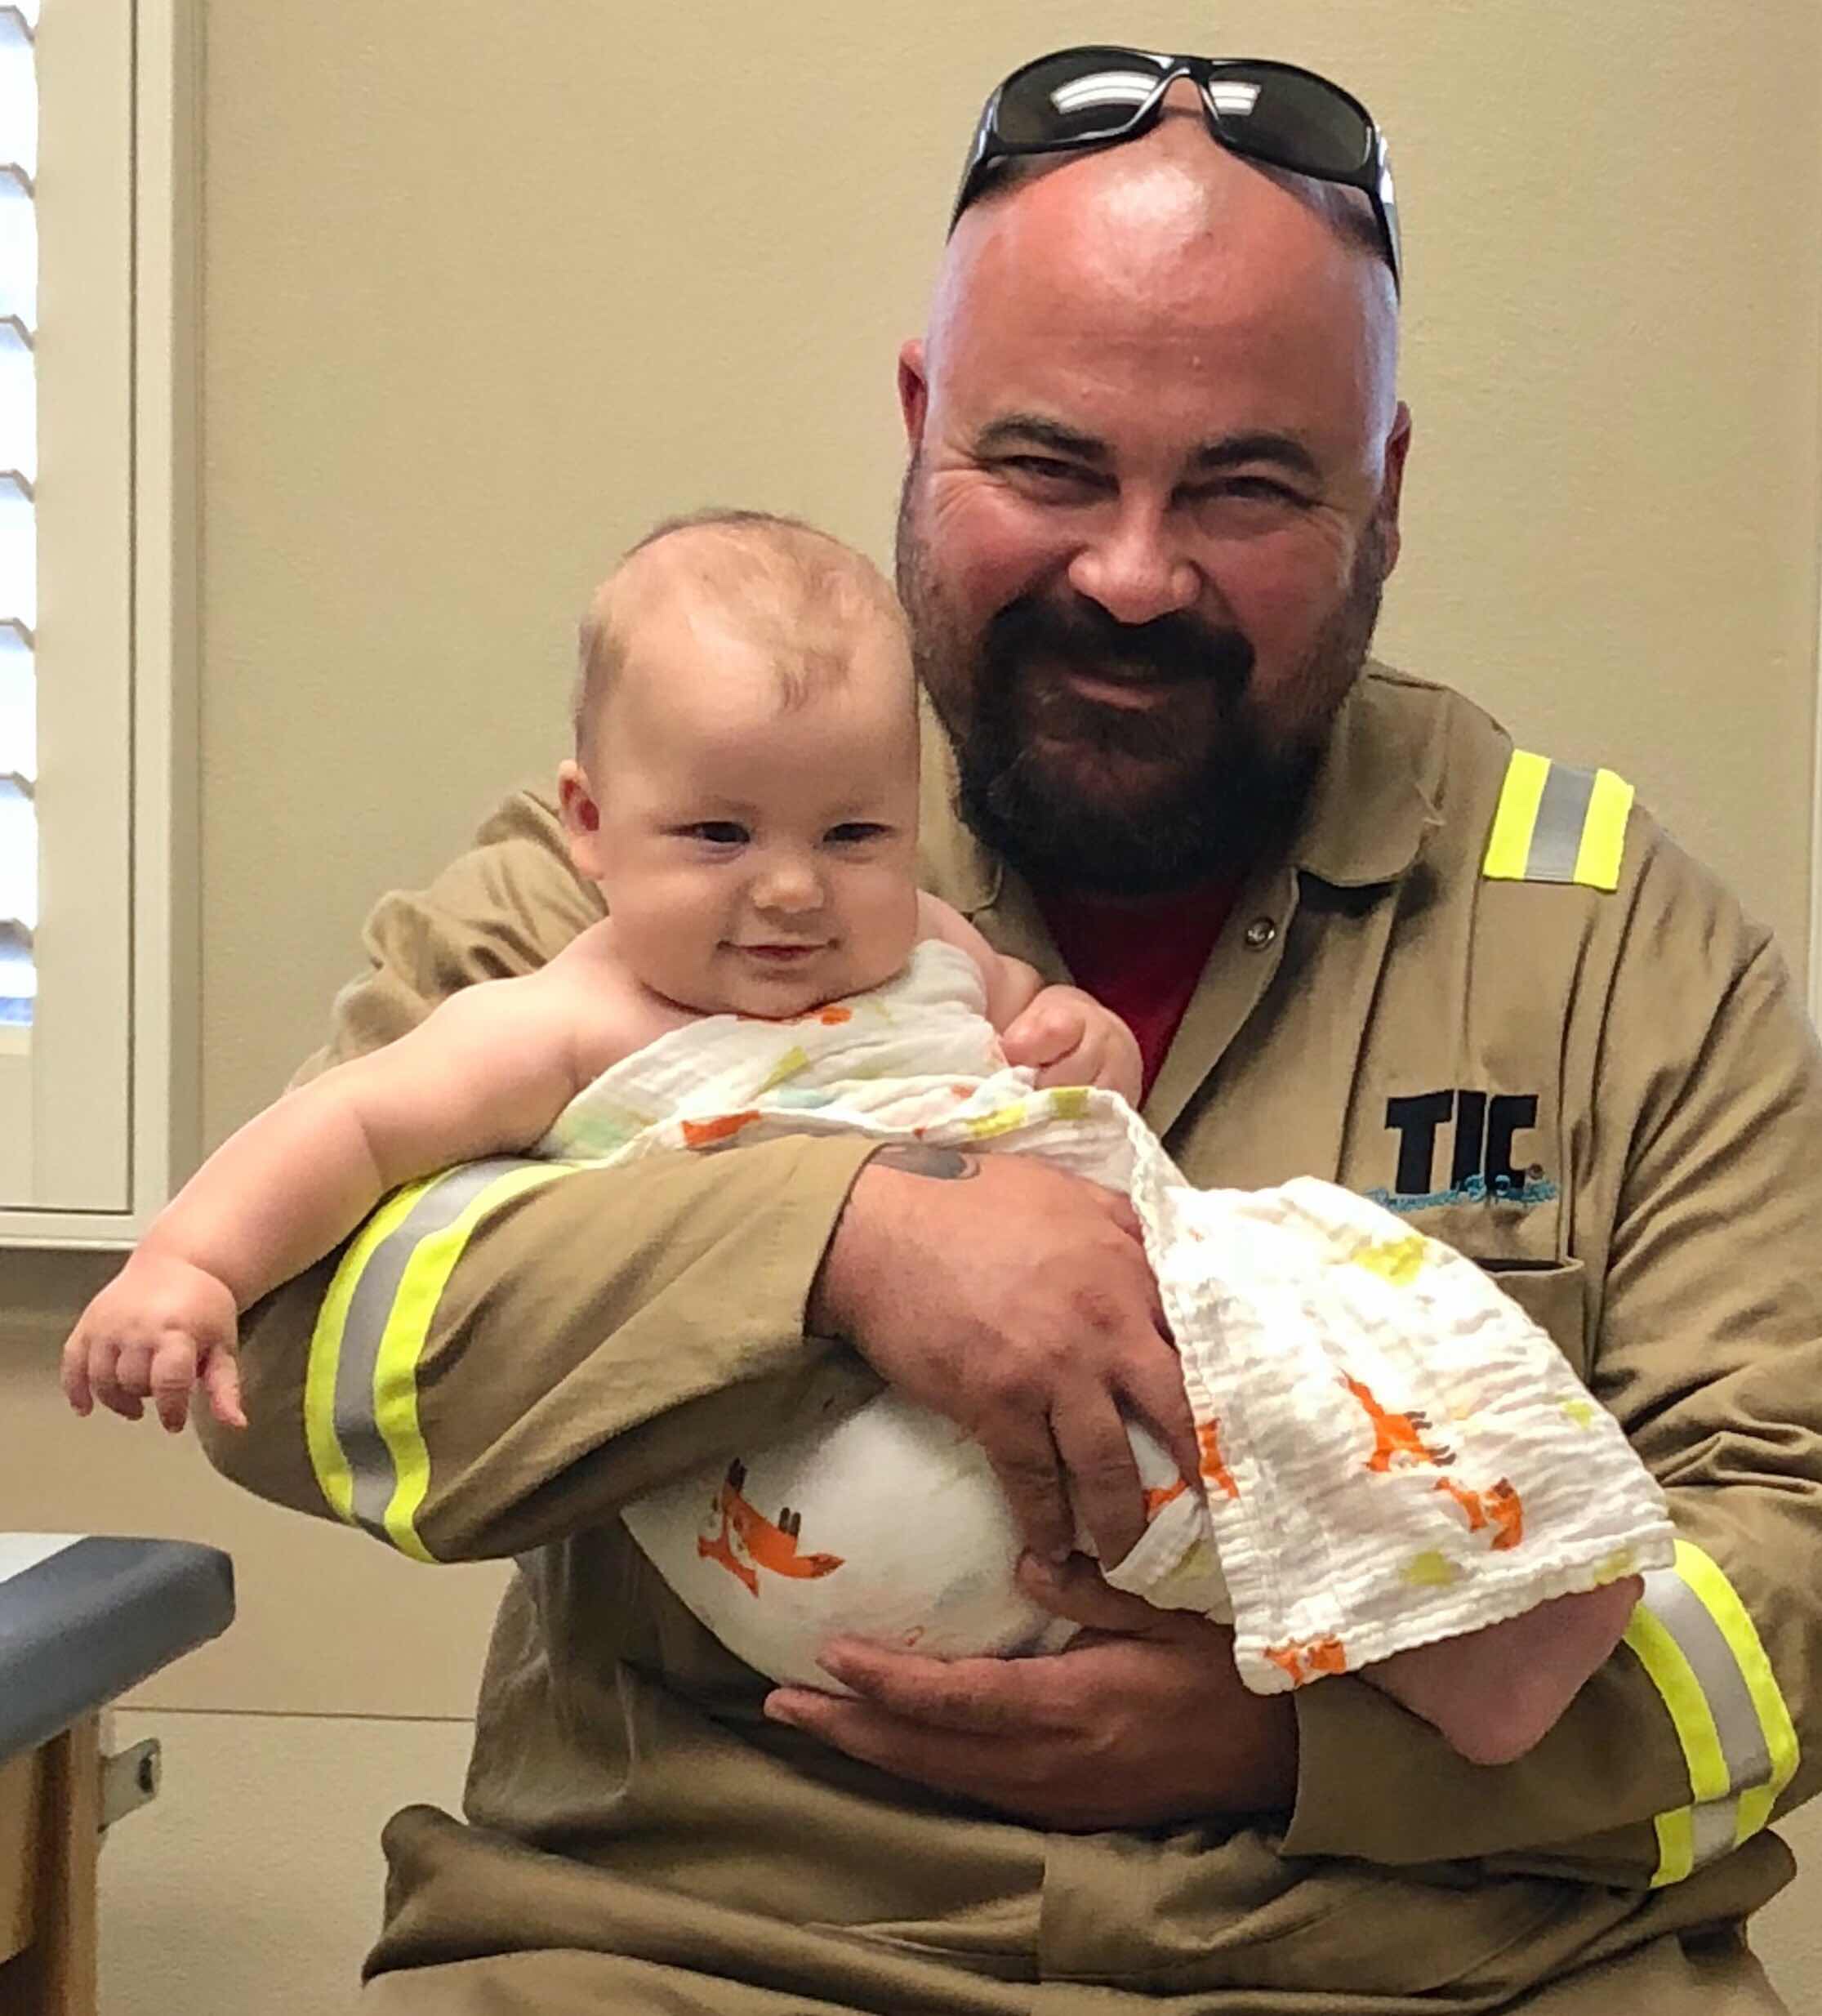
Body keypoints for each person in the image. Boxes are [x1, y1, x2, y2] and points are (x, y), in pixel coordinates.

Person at [191, 44, 1821, 2014]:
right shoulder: (654, 879)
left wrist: (1301, 1740)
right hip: (711, 1947)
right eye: (1049, 468)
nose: (1130, 573)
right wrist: (836, 1246)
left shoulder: (1612, 940)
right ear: (920, 426)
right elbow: (284, 1341)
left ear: (1383, 495)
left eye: (1242, 485)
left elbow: (1787, 1553)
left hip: (1447, 1964)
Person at [61, 506, 1660, 1768]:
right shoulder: (563, 1016)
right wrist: (189, 1266)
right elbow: (347, 1130)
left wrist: (1076, 1037)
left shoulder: (927, 944)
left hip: (1078, 1400)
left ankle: (1477, 1641)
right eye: (718, 834)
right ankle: (1444, 1631)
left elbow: (1040, 1026)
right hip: (820, 1493)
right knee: (1219, 1428)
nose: (790, 889)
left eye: (851, 833)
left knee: (1327, 1296)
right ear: (590, 824)